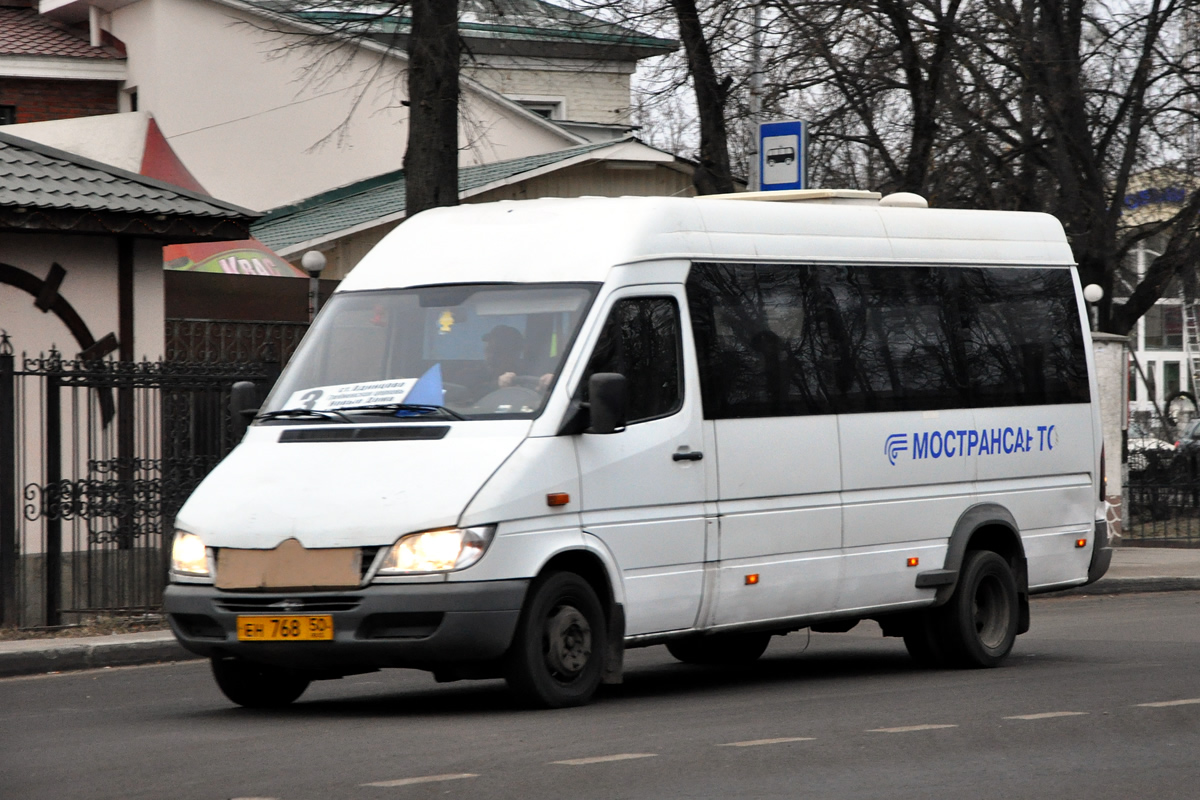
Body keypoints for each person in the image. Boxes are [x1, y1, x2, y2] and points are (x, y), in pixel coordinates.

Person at [460, 324, 553, 403]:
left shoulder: (533, 372)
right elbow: (467, 396)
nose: (491, 356)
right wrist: (497, 385)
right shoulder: (474, 375)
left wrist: (551, 383)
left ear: (516, 352)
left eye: (498, 351)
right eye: (488, 350)